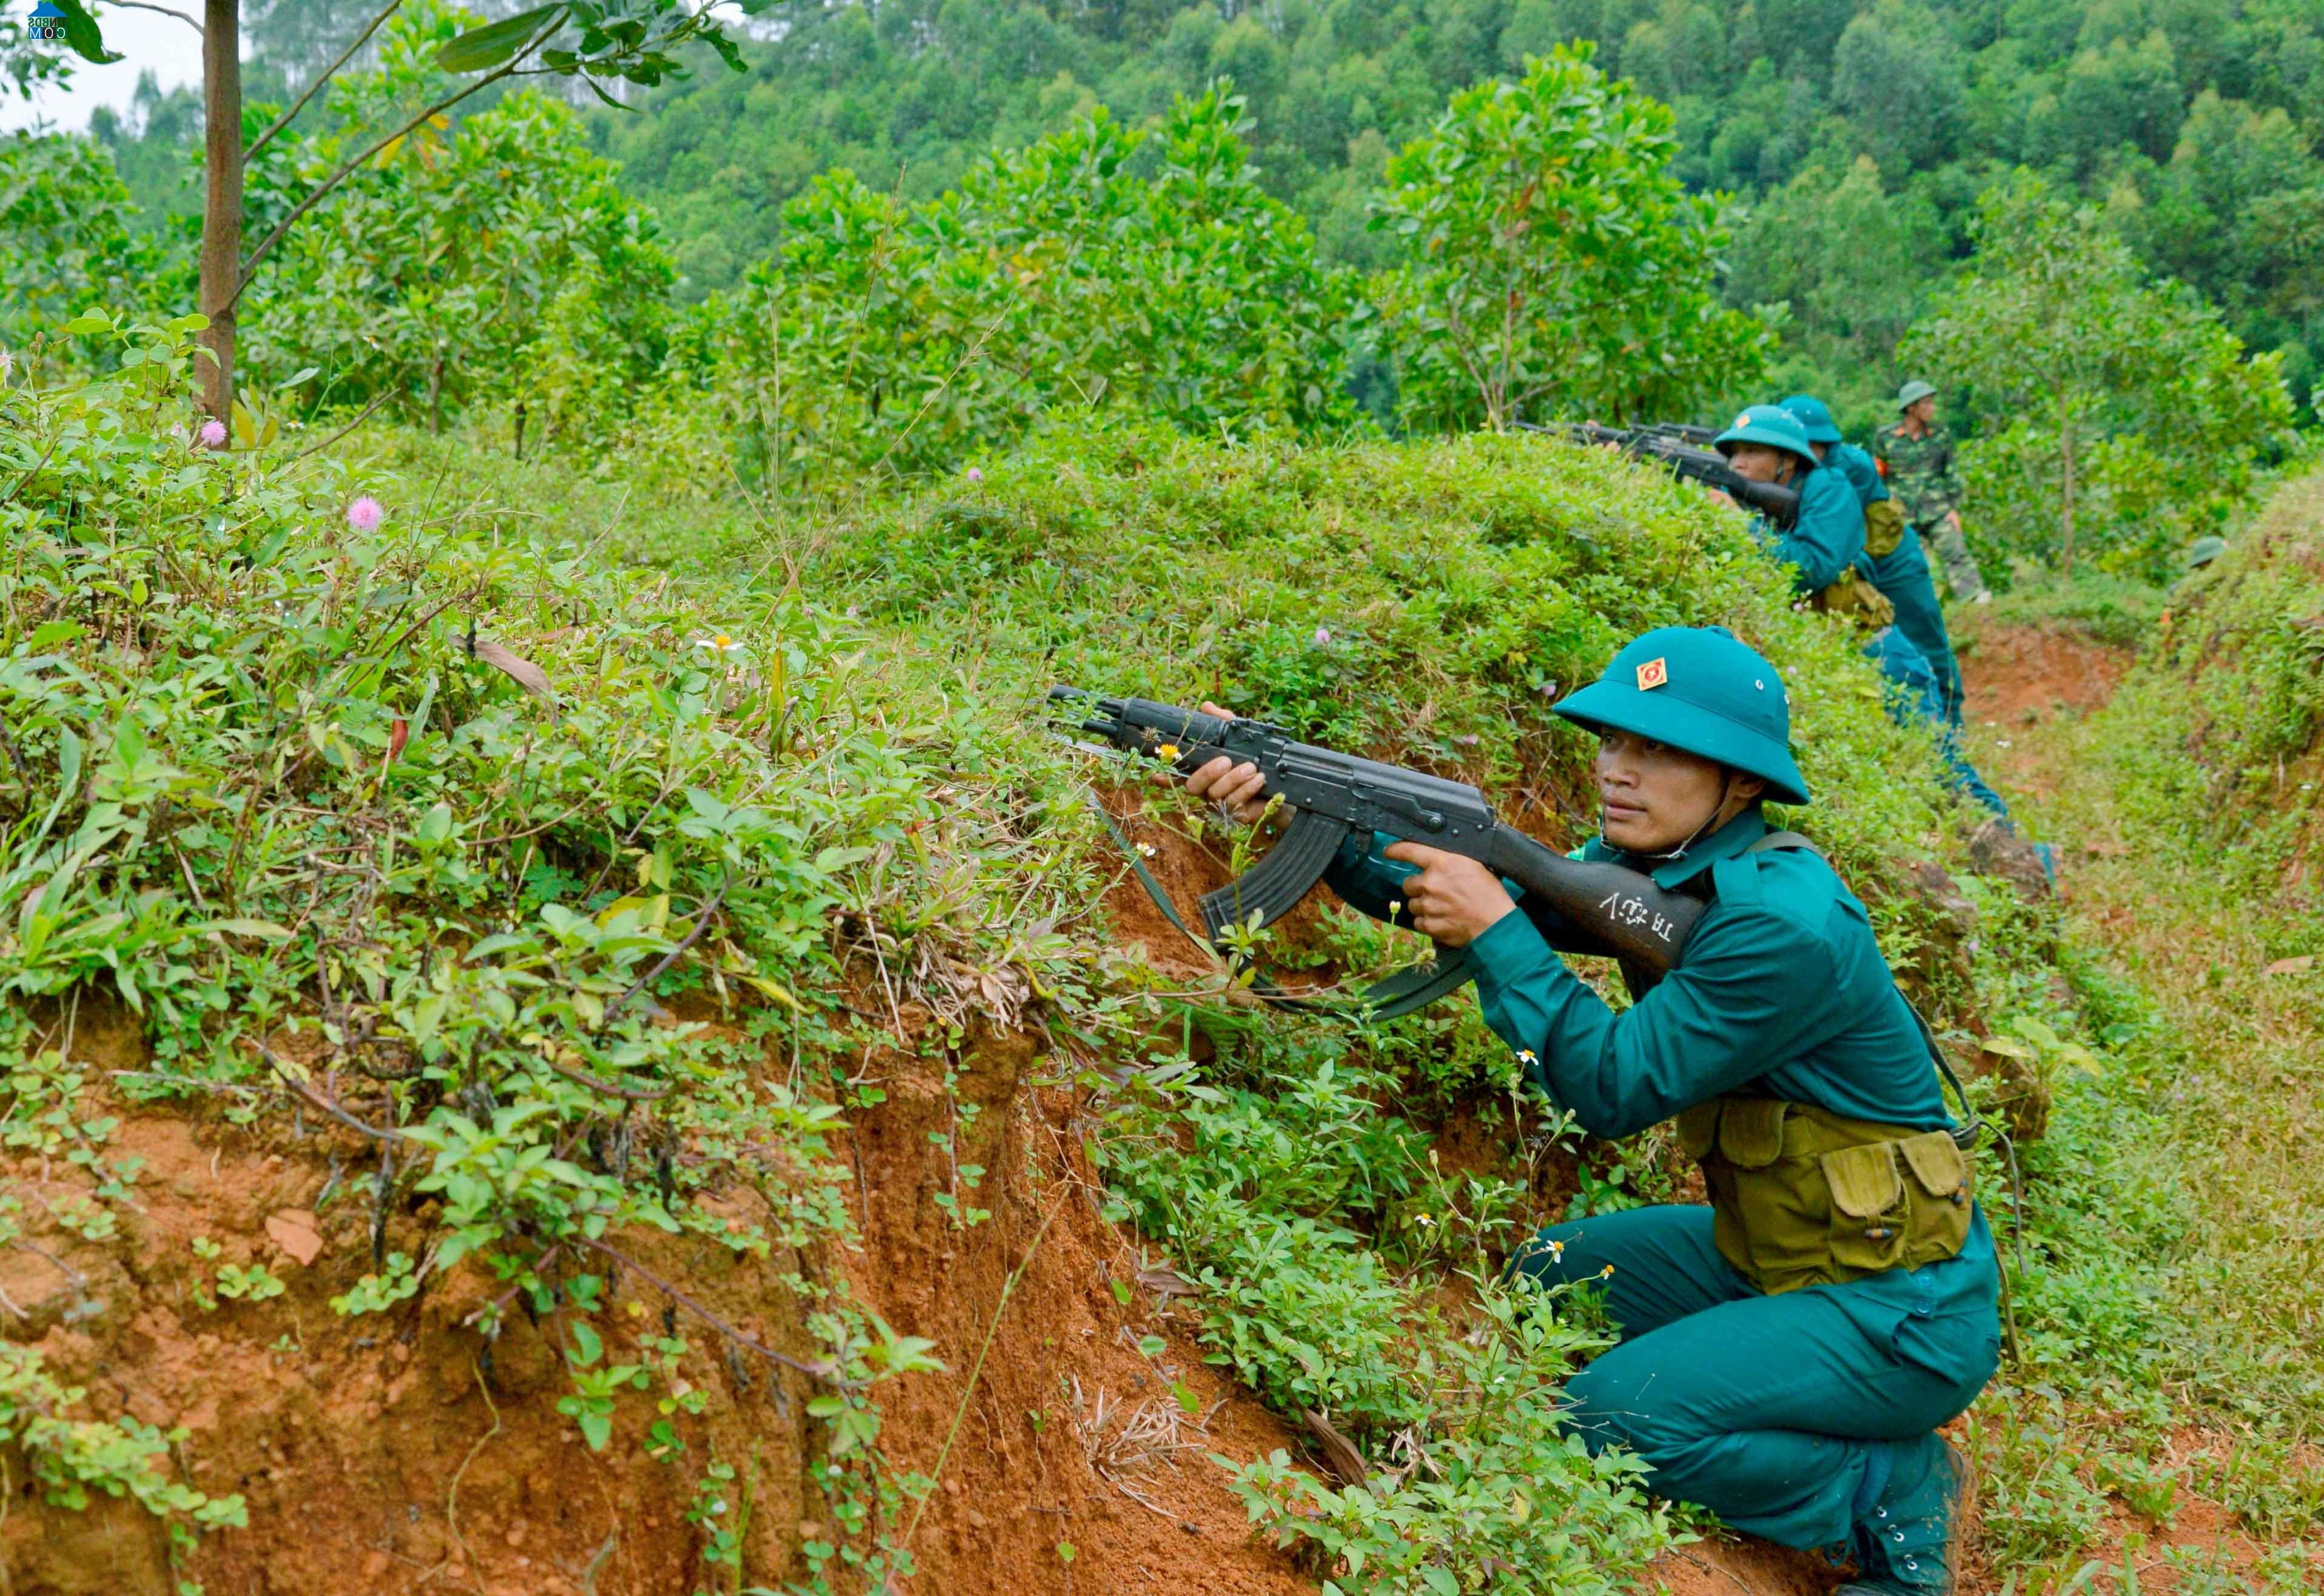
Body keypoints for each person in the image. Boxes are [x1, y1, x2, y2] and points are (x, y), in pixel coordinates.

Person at [1185, 626, 1999, 1596]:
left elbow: (1612, 1090)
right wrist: (1300, 810)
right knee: (1553, 1275)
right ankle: (1767, 1386)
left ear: (1742, 782)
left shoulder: (1781, 926)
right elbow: (1437, 899)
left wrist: (1496, 928)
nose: (1621, 770)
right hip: (1776, 1254)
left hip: (1904, 1308)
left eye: (1660, 750)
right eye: (1613, 741)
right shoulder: (1660, 869)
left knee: (1610, 1419)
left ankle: (1894, 1486)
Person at [1712, 406, 2012, 819]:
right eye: (1733, 454)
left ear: (1789, 459)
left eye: (1751, 451)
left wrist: (1743, 527)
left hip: (1884, 658)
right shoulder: (1760, 501)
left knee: (1942, 769)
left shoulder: (1830, 488)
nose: (1738, 463)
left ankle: (2020, 851)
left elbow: (1811, 568)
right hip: (1844, 664)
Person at [1781, 394, 1966, 726]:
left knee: (1926, 635)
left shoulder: (1850, 466)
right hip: (1850, 562)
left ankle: (1952, 719)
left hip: (1893, 559)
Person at [1874, 383, 1990, 605]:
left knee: (1955, 552)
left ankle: (1974, 598)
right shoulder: (1886, 438)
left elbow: (1951, 474)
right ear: (1911, 408)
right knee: (1906, 564)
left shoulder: (1940, 436)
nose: (1932, 408)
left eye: (1931, 402)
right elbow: (1879, 476)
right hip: (1902, 514)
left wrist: (1955, 509)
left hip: (1937, 510)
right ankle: (1910, 609)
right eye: (1926, 403)